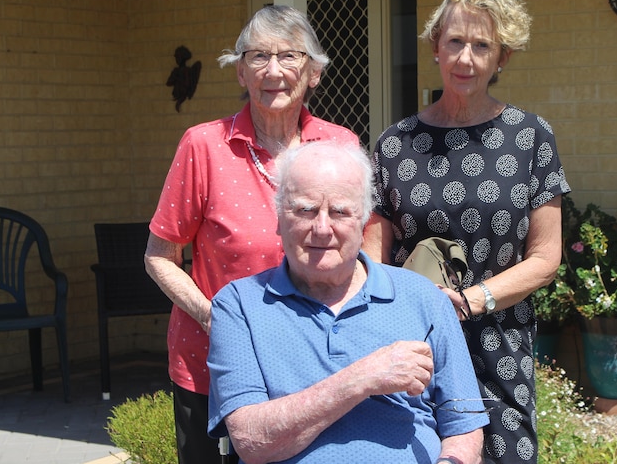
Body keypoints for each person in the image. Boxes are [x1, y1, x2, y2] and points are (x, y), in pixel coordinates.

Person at [363, 0, 570, 464]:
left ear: (503, 56)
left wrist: (469, 301)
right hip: (415, 345)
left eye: (482, 45)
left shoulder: (531, 137)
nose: (465, 58)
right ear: (435, 46)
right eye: (455, 41)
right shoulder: (395, 145)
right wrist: (411, 306)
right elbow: (372, 252)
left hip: (499, 344)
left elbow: (545, 257)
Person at [144, 5, 359, 464]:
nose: (274, 71)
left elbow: (357, 249)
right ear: (241, 72)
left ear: (314, 72)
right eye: (258, 56)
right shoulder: (203, 146)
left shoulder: (339, 146)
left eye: (290, 56)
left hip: (313, 364)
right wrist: (212, 316)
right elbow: (160, 255)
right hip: (212, 364)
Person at [206, 141, 488, 464]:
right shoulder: (239, 305)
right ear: (278, 218)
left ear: (364, 222)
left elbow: (464, 426)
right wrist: (364, 377)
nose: (322, 228)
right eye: (305, 210)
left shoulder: (425, 299)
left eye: (339, 212)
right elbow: (250, 440)